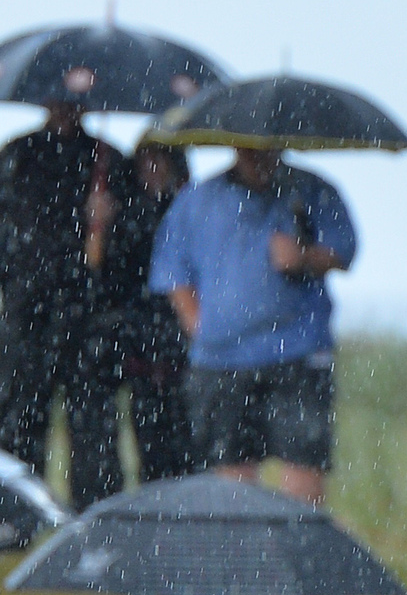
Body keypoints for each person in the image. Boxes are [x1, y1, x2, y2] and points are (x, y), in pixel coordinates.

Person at [149, 142, 357, 503]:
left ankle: (299, 551)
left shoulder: (312, 190)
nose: (259, 155)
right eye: (250, 147)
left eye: (266, 147)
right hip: (221, 360)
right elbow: (172, 271)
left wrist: (304, 256)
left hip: (298, 351)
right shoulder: (198, 200)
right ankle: (241, 554)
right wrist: (199, 326)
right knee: (231, 471)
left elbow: (344, 251)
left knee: (304, 461)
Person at [0, 98, 130, 508]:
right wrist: (15, 277)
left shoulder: (109, 161)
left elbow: (134, 251)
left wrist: (109, 222)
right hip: (26, 315)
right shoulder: (15, 157)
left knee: (95, 435)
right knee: (16, 430)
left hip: (92, 318)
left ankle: (94, 528)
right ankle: (12, 524)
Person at [105, 140, 198, 482]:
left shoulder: (190, 210)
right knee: (149, 443)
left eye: (161, 159)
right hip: (141, 342)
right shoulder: (125, 211)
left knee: (188, 445)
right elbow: (112, 273)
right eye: (146, 160)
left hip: (181, 342)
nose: (153, 168)